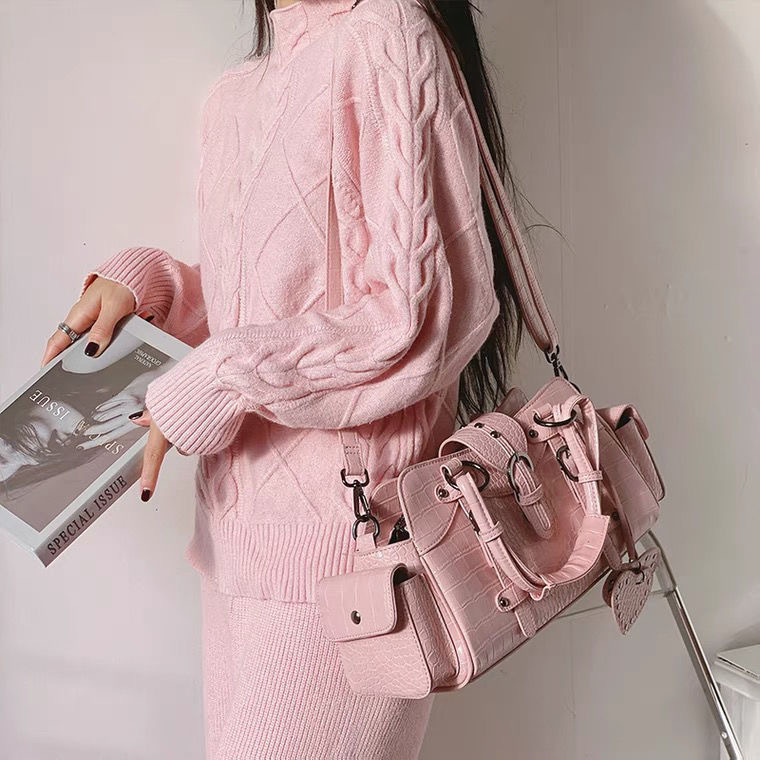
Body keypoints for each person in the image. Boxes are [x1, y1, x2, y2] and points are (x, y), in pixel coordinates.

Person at [41, 0, 531, 756]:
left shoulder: (388, 35)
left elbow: (421, 315)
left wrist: (220, 380)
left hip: (357, 559)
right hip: (234, 548)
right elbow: (264, 309)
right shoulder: (233, 97)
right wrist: (151, 287)